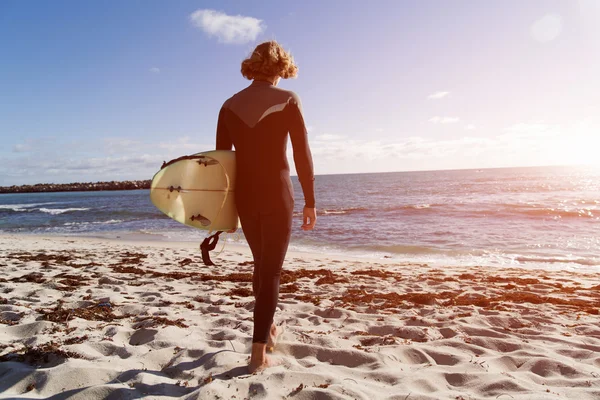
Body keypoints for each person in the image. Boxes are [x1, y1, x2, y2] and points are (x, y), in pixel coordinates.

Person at [215, 40, 317, 373]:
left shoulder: (229, 105)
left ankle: (268, 327)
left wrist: (225, 210)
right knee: (271, 270)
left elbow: (222, 164)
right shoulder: (287, 99)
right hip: (277, 193)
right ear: (280, 67)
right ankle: (259, 352)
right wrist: (310, 201)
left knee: (261, 264)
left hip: (245, 197)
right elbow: (301, 154)